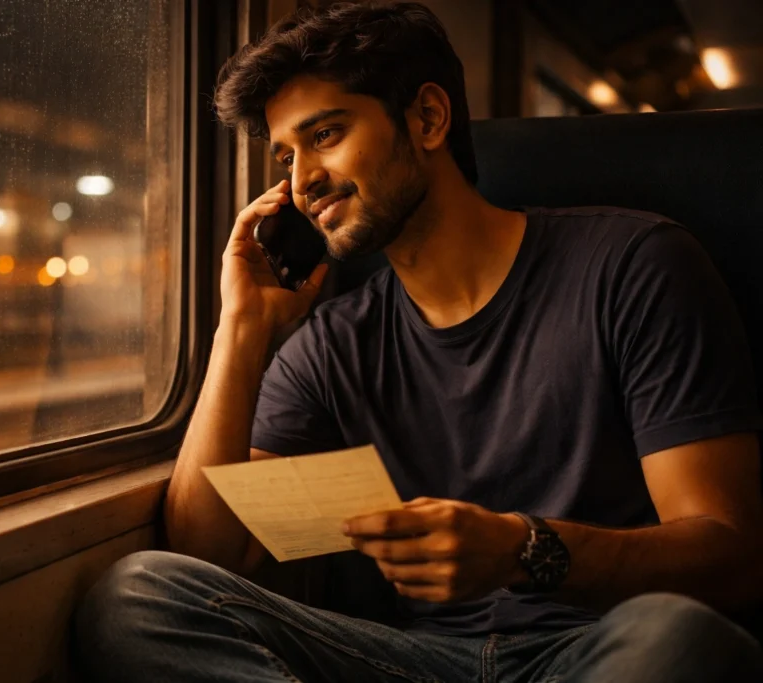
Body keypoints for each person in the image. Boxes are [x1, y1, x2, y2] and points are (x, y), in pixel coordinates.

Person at [75, 3, 763, 681]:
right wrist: (241, 327)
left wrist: (521, 550)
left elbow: (731, 557)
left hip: (597, 648)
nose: (300, 183)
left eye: (326, 135)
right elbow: (213, 554)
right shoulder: (334, 343)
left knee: (683, 637)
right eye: (286, 157)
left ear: (428, 118)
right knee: (137, 597)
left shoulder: (630, 265)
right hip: (415, 661)